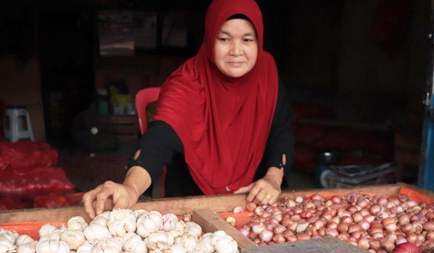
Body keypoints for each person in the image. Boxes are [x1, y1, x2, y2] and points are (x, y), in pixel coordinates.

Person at [83, 0, 295, 219]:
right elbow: (158, 141)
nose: (236, 50)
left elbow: (281, 131)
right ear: (210, 38)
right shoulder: (188, 83)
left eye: (247, 40)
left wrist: (273, 178)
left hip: (254, 204)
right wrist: (130, 188)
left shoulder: (266, 73)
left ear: (259, 42)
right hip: (193, 210)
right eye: (224, 39)